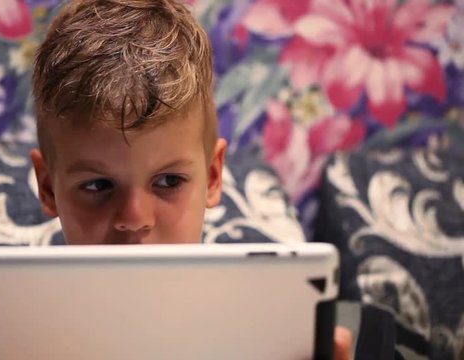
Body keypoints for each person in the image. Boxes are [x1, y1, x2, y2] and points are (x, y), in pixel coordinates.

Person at [28, 0, 352, 359]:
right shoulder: (1, 327)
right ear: (48, 188)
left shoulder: (292, 331)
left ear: (213, 176)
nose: (135, 219)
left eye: (168, 181)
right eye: (97, 186)